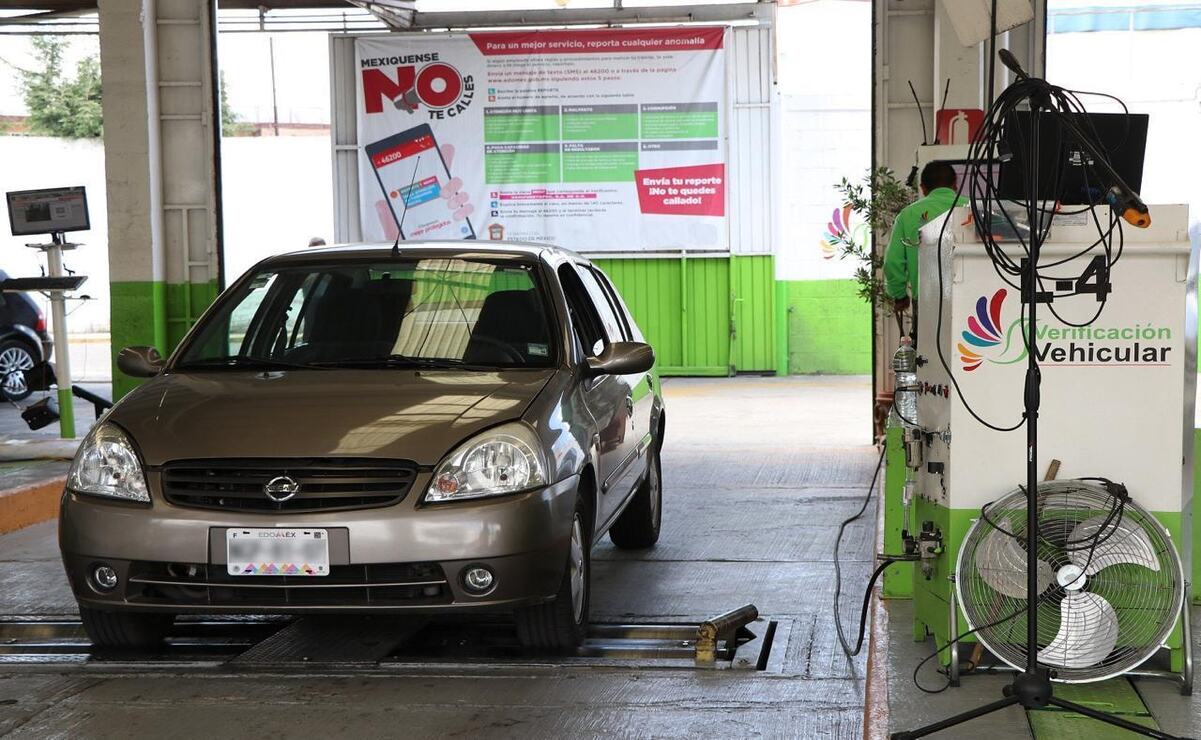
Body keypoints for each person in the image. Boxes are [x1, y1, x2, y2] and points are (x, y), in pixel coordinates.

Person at [883, 161, 964, 316]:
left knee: (929, 341)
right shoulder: (974, 207)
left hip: (927, 301)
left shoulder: (907, 216)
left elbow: (893, 262)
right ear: (955, 184)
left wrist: (899, 296)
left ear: (923, 188)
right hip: (972, 297)